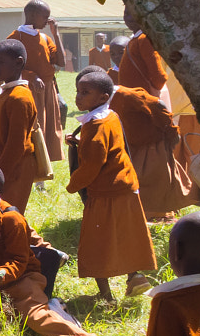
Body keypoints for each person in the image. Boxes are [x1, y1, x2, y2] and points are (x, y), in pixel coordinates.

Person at [0, 164, 133, 336]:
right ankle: (53, 308)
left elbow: (20, 261)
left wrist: (2, 274)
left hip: (23, 278)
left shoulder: (11, 218)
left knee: (38, 319)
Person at [65, 67, 156, 299]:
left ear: (103, 97)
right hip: (125, 185)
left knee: (96, 243)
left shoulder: (95, 127)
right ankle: (135, 277)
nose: (78, 97)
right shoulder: (110, 115)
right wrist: (78, 140)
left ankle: (105, 296)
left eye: (85, 92)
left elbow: (92, 166)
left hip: (105, 192)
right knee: (126, 234)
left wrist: (73, 184)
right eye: (78, 91)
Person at [111, 79, 195, 223]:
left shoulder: (126, 95)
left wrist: (170, 131)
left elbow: (158, 105)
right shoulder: (99, 101)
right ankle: (143, 212)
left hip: (151, 143)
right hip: (132, 144)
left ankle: (159, 214)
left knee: (155, 177)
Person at [0, 40, 45, 213]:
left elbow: (16, 146)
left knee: (8, 217)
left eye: (0, 62)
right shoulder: (7, 92)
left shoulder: (20, 97)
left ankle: (33, 241)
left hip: (15, 168)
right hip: (4, 165)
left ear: (18, 62)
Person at [8, 0, 67, 161]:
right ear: (32, 15)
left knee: (48, 127)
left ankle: (44, 166)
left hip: (47, 89)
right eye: (45, 16)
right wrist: (32, 76)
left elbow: (61, 62)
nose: (48, 20)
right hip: (27, 90)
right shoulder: (16, 37)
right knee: (33, 127)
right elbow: (9, 66)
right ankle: (30, 165)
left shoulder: (45, 38)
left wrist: (56, 34)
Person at [116, 6, 168, 98]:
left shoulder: (144, 39)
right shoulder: (135, 39)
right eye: (126, 14)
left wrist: (146, 97)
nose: (128, 18)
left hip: (142, 102)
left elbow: (159, 77)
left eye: (134, 14)